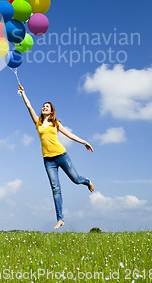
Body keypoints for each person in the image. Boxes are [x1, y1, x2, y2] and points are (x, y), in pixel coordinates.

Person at [18, 83, 94, 230]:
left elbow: (69, 135)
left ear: (52, 111)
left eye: (47, 106)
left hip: (62, 156)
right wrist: (23, 93)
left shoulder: (56, 123)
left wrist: (84, 141)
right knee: (55, 188)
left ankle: (88, 181)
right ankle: (60, 219)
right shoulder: (38, 122)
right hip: (48, 160)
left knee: (76, 180)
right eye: (43, 106)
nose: (44, 107)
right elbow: (29, 107)